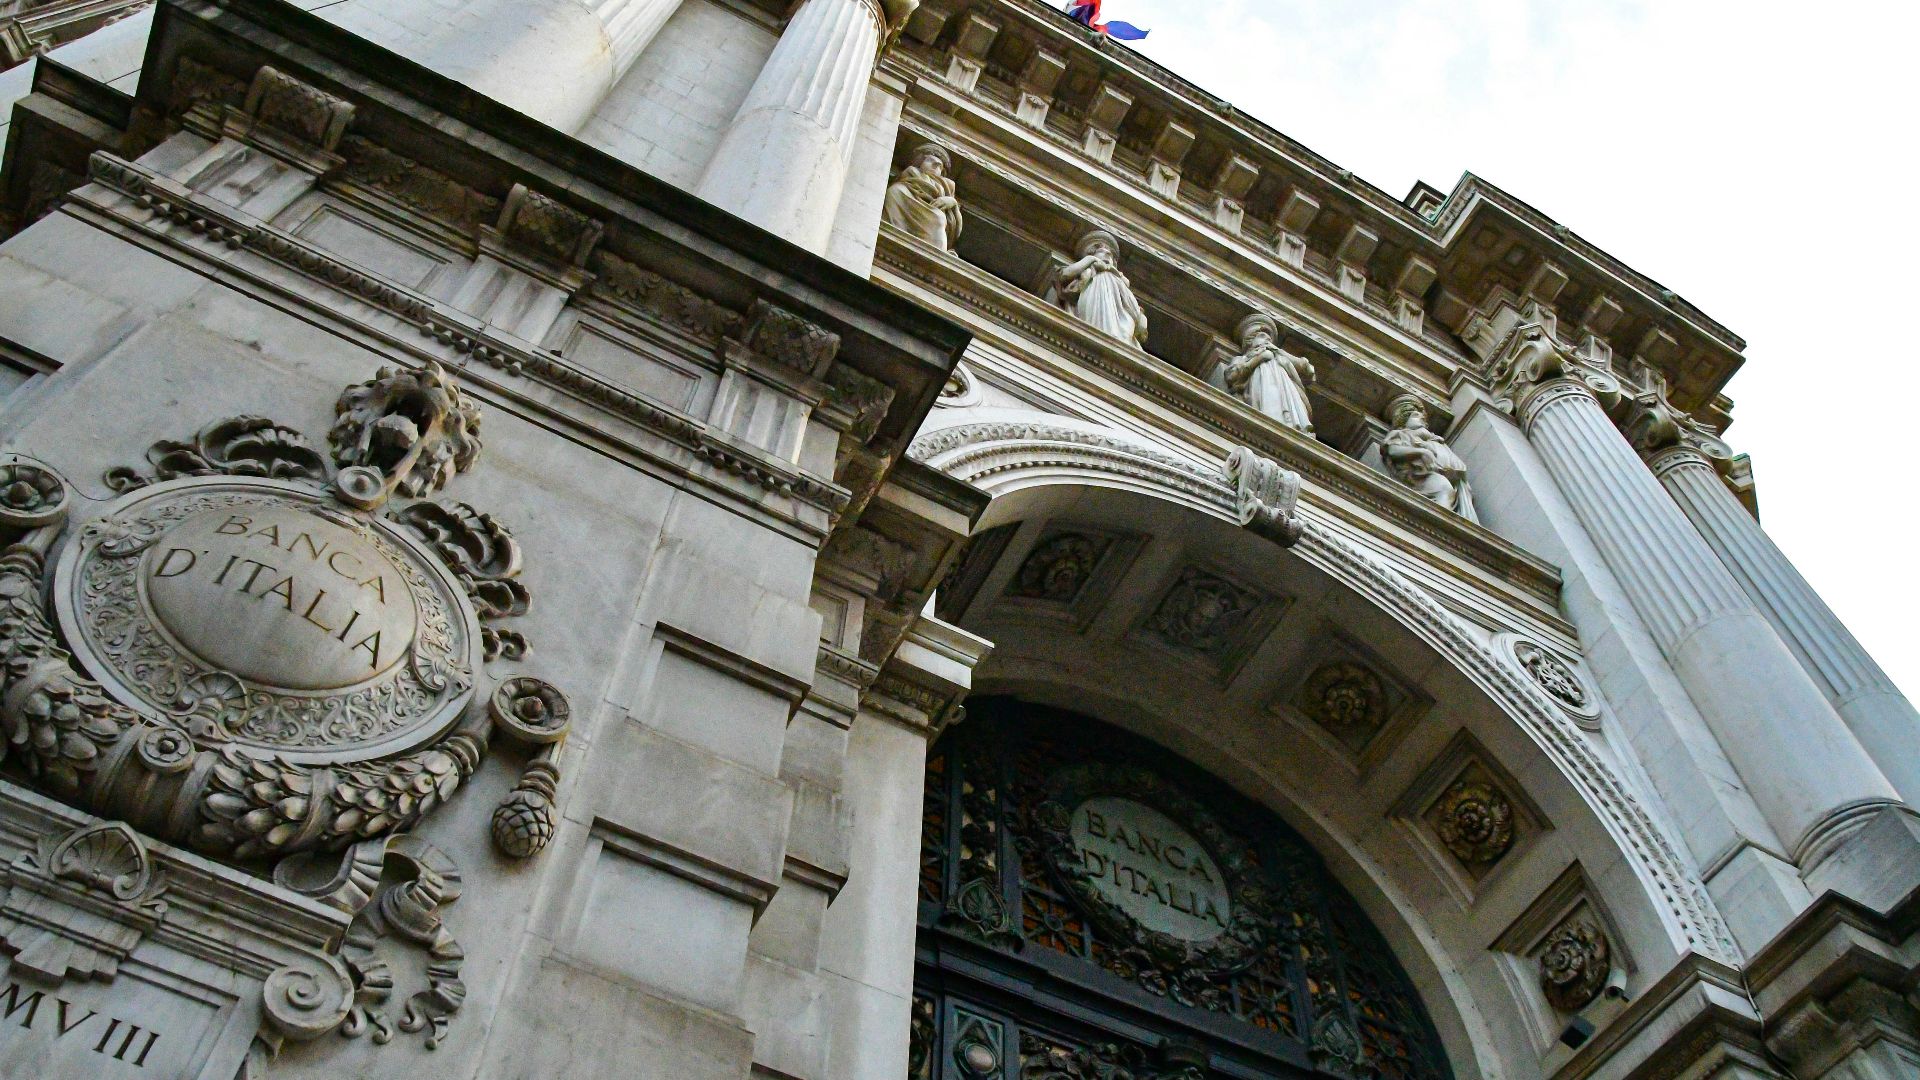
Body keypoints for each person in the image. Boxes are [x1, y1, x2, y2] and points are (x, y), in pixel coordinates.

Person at [1381, 394, 1477, 520]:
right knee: (1443, 488)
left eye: (1423, 418)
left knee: (1448, 489)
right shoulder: (1401, 434)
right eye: (1416, 416)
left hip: (1440, 475)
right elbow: (1393, 450)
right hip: (1419, 477)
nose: (1422, 419)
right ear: (1403, 420)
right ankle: (1441, 526)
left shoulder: (1434, 440)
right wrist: (1422, 452)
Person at [1219, 313, 1314, 435]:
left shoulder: (1279, 356)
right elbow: (1231, 375)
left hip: (1286, 393)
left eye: (1269, 339)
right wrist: (1258, 359)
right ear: (1250, 342)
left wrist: (1278, 351)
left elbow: (1308, 370)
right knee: (1269, 410)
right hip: (1261, 392)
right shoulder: (1244, 358)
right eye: (1262, 337)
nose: (1267, 341)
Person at [1059, 229, 1150, 348]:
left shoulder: (1118, 278)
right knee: (1098, 327)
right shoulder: (1091, 269)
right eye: (1102, 251)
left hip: (1122, 312)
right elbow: (1064, 274)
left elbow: (1132, 305)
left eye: (1110, 255)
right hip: (1096, 298)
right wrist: (1091, 260)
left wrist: (1140, 317)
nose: (1108, 255)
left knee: (1124, 335)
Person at [882, 143, 963, 251]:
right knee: (895, 191)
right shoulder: (903, 184)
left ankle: (937, 253)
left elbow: (954, 223)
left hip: (933, 218)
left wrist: (952, 202)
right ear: (920, 162)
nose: (935, 166)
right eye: (930, 161)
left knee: (938, 217)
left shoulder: (947, 187)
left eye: (939, 166)